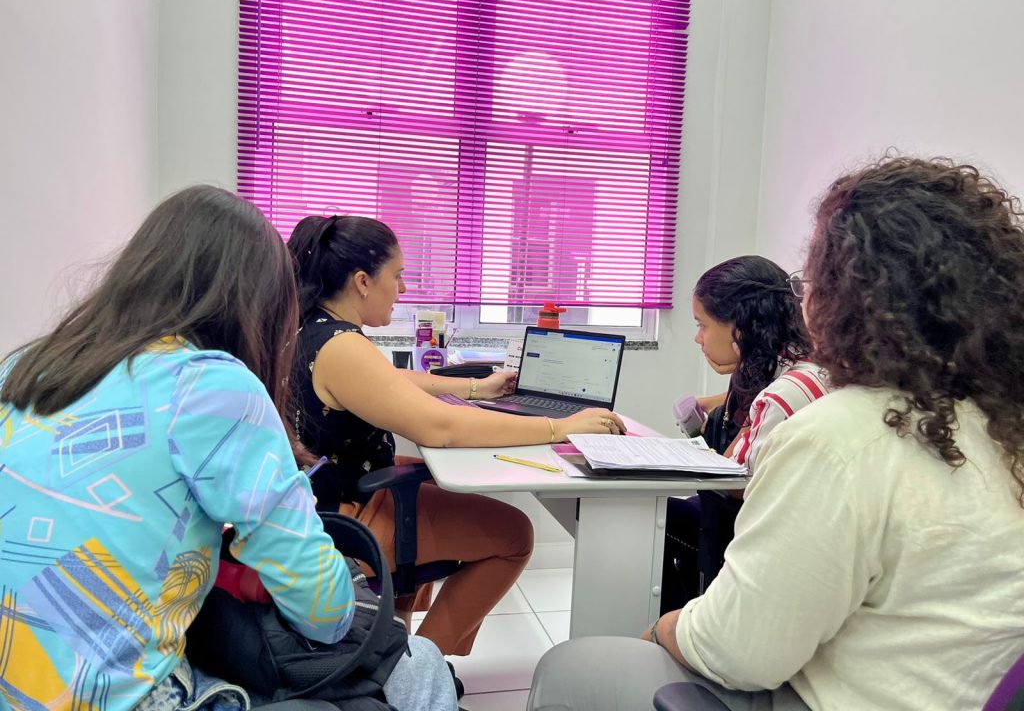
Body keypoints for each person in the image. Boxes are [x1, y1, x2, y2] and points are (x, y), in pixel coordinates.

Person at [527, 156, 1024, 710]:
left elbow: (739, 653)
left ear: (845, 298)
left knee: (571, 667)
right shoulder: (1004, 424)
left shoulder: (841, 438)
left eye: (809, 281)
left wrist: (665, 626)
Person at [0, 187, 455, 711]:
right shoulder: (211, 385)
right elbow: (325, 613)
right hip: (120, 697)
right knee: (419, 666)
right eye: (398, 276)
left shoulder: (30, 368)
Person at [286, 214, 626, 658]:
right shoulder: (343, 346)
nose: (402, 289)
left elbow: (392, 381)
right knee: (515, 535)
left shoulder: (313, 329)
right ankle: (416, 668)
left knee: (440, 489)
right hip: (348, 517)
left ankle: (398, 641)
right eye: (397, 276)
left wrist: (476, 388)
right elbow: (441, 428)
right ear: (363, 282)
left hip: (328, 494)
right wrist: (559, 427)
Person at [662, 256, 828, 609]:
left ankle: (679, 620)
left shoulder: (779, 396)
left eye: (702, 325)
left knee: (654, 521)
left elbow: (733, 481)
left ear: (739, 326)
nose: (698, 338)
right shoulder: (801, 363)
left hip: (755, 533)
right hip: (781, 526)